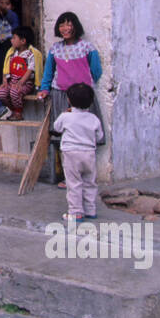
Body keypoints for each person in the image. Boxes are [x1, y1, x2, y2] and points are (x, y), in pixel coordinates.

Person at [38, 12, 105, 186]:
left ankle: (86, 176)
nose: (65, 28)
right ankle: (69, 177)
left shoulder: (87, 48)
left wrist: (85, 90)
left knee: (84, 134)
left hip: (82, 97)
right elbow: (48, 72)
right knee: (66, 136)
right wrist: (45, 89)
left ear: (75, 26)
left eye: (69, 24)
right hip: (60, 95)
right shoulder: (55, 49)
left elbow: (96, 71)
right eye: (62, 25)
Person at [52, 82, 103, 224]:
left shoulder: (65, 116)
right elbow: (99, 137)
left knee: (73, 183)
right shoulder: (94, 119)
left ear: (69, 100)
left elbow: (57, 127)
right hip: (89, 153)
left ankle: (76, 212)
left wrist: (66, 113)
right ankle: (90, 210)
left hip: (71, 153)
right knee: (89, 182)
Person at [0, 26, 42, 118]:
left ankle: (18, 112)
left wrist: (21, 82)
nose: (11, 40)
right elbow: (6, 67)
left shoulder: (30, 54)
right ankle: (13, 110)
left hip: (25, 83)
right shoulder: (12, 53)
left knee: (14, 91)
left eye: (14, 38)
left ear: (23, 41)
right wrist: (5, 80)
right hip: (12, 81)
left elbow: (30, 69)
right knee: (1, 93)